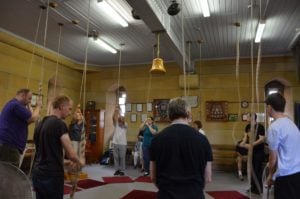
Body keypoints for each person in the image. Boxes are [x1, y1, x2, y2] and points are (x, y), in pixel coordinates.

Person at [150, 97, 212, 199]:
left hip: (166, 195)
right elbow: (208, 177)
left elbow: (153, 176)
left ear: (169, 115)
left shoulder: (157, 139)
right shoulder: (203, 140)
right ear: (188, 114)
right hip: (194, 195)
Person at [32, 95, 84, 199]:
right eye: (69, 109)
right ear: (61, 107)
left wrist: (65, 162)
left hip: (38, 173)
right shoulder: (60, 124)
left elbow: (45, 153)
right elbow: (71, 154)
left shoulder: (39, 124)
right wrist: (80, 161)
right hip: (52, 176)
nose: (70, 113)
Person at [265, 93, 300, 199]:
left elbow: (272, 157)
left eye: (267, 107)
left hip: (285, 175)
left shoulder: (274, 127)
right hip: (297, 172)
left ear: (270, 107)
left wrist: (270, 175)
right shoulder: (291, 124)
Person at [0, 88, 41, 167]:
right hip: (10, 147)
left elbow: (29, 121)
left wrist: (28, 105)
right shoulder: (17, 105)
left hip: (6, 145)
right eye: (29, 98)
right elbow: (33, 118)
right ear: (22, 95)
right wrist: (38, 106)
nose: (30, 101)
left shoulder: (12, 104)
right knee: (10, 174)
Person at [239, 114, 265, 194]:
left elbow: (261, 139)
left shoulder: (260, 127)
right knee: (251, 170)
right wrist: (242, 143)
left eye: (248, 116)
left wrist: (252, 145)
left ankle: (258, 189)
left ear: (253, 118)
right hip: (251, 152)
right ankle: (252, 187)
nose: (246, 118)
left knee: (257, 170)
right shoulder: (247, 127)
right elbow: (245, 137)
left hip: (258, 152)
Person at [112, 105, 127, 176]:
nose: (120, 120)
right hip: (115, 142)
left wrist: (120, 113)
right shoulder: (116, 124)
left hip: (123, 143)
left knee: (122, 157)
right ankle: (117, 170)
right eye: (119, 119)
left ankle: (122, 170)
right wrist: (115, 111)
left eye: (121, 119)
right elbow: (113, 118)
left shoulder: (125, 124)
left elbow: (123, 123)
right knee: (116, 157)